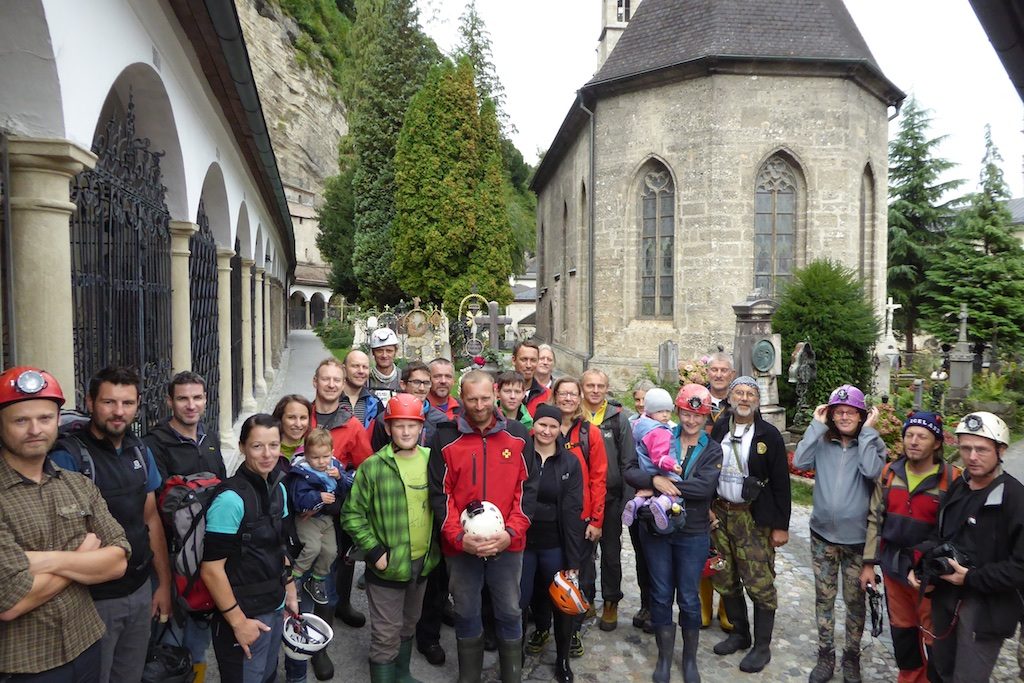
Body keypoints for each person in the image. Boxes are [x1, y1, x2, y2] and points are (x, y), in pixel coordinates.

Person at [0, 366, 130, 682]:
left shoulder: (78, 484)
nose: (35, 429)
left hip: (86, 644)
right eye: (21, 420)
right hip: (25, 666)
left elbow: (118, 560)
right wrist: (84, 553)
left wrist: (43, 561)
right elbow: (11, 601)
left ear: (57, 420)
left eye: (45, 418)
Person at [49, 366, 172, 683]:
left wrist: (163, 586)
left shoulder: (140, 451)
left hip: (139, 590)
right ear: (90, 403)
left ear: (138, 404)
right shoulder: (69, 457)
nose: (119, 412)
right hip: (93, 601)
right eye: (109, 402)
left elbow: (150, 519)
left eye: (127, 403)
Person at [428, 370, 534, 683]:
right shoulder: (445, 437)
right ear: (461, 397)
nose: (479, 405)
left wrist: (510, 533)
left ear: (496, 393)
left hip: (508, 544)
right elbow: (440, 494)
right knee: (465, 610)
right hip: (461, 547)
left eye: (485, 398)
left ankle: (511, 675)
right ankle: (469, 676)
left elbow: (527, 491)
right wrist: (459, 538)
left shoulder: (517, 435)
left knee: (509, 610)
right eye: (472, 399)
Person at [907, 411, 1024, 682]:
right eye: (966, 448)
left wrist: (970, 577)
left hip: (985, 611)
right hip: (946, 601)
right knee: (941, 671)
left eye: (981, 449)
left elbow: (1020, 568)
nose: (972, 457)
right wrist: (920, 564)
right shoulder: (960, 486)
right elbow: (940, 536)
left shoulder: (1015, 499)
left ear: (1001, 450)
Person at [624, 383, 724, 683]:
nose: (691, 421)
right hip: (656, 530)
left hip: (692, 531)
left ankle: (690, 660)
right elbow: (629, 468)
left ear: (706, 417)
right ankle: (665, 658)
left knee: (690, 598)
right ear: (678, 411)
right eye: (686, 413)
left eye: (698, 415)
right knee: (661, 592)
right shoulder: (660, 433)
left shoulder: (713, 448)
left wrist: (669, 486)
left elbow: (704, 488)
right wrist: (655, 480)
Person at [342, 393, 442, 682]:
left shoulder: (432, 461)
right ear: (388, 429)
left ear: (422, 427)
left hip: (421, 563)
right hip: (386, 564)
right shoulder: (374, 467)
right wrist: (373, 551)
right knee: (386, 634)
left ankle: (403, 674)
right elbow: (352, 514)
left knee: (409, 623)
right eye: (399, 425)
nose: (406, 431)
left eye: (412, 425)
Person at [793, 385, 886, 683]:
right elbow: (799, 462)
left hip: (857, 542)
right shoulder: (822, 441)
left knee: (854, 602)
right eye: (839, 412)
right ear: (831, 415)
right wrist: (815, 425)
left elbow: (872, 472)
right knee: (824, 599)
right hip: (822, 536)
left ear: (861, 416)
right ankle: (825, 654)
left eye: (851, 412)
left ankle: (851, 656)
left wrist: (869, 433)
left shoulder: (872, 444)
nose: (845, 417)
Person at [860, 411, 960, 683]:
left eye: (922, 436)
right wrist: (868, 563)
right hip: (894, 569)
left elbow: (954, 532)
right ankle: (909, 677)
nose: (914, 441)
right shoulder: (889, 474)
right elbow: (875, 519)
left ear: (937, 443)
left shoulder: (952, 480)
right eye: (909, 435)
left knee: (934, 636)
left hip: (930, 578)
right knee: (902, 632)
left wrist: (926, 566)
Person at [201, 413, 300, 683]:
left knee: (267, 676)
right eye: (257, 446)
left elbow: (280, 544)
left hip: (274, 605)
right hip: (244, 615)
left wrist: (289, 588)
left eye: (274, 445)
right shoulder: (230, 500)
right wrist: (237, 622)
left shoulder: (277, 489)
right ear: (243, 447)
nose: (267, 454)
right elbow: (211, 569)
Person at [144, 371, 225, 682]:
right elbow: (157, 509)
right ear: (169, 401)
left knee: (199, 644)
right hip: (173, 561)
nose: (191, 405)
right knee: (169, 643)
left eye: (197, 398)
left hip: (206, 558)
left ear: (205, 400)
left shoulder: (210, 439)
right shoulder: (155, 445)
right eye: (183, 398)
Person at [707, 376, 791, 674]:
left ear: (757, 400)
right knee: (725, 575)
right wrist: (706, 506)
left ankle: (762, 646)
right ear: (730, 398)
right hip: (721, 513)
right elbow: (706, 468)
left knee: (759, 581)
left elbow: (781, 483)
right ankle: (740, 633)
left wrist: (781, 526)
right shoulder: (719, 428)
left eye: (749, 394)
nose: (744, 398)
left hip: (754, 518)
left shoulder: (769, 435)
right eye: (739, 393)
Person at [520, 404, 587, 683]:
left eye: (552, 426)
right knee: (519, 600)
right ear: (533, 426)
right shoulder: (521, 456)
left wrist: (574, 561)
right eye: (542, 425)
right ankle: (515, 655)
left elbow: (573, 513)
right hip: (522, 542)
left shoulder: (569, 462)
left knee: (562, 603)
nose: (546, 431)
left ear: (560, 428)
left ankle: (562, 659)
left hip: (554, 543)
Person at [551, 376, 607, 657]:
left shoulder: (589, 433)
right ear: (555, 396)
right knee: (549, 573)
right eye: (563, 394)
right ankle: (544, 625)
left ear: (580, 397)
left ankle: (571, 631)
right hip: (549, 518)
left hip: (581, 518)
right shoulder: (545, 428)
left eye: (573, 394)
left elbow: (599, 478)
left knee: (578, 577)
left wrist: (597, 520)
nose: (569, 399)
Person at [580, 368, 636, 633]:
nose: (595, 390)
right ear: (582, 387)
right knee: (585, 553)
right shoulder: (575, 416)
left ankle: (611, 600)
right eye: (590, 385)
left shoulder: (618, 418)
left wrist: (627, 498)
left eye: (600, 386)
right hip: (582, 497)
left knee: (611, 553)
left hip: (611, 497)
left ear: (606, 388)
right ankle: (587, 597)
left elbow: (628, 461)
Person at [288, 428, 349, 606]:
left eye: (325, 456)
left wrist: (340, 478)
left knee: (331, 551)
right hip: (307, 519)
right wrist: (318, 497)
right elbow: (298, 499)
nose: (321, 462)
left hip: (326, 519)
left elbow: (347, 489)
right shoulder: (301, 472)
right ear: (306, 455)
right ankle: (296, 576)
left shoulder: (335, 467)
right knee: (312, 548)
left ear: (332, 453)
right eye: (315, 457)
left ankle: (317, 579)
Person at [623, 387, 683, 531]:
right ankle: (662, 504)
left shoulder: (638, 425)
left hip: (644, 469)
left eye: (668, 411)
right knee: (675, 490)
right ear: (650, 411)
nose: (665, 416)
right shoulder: (660, 431)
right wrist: (673, 465)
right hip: (661, 469)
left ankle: (636, 502)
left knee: (645, 494)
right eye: (660, 411)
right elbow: (659, 457)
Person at [627, 378, 656, 631]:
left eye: (645, 401)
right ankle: (646, 603)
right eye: (637, 400)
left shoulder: (668, 428)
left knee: (657, 557)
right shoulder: (629, 426)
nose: (640, 405)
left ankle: (658, 607)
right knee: (640, 554)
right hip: (634, 499)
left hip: (659, 501)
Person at [370, 361, 448, 451]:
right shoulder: (384, 420)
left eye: (426, 383)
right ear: (403, 384)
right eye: (416, 382)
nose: (422, 388)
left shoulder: (440, 420)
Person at [339, 350, 384, 430]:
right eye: (355, 366)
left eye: (365, 367)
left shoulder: (375, 403)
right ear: (343, 369)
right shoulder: (332, 400)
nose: (361, 371)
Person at [513, 340, 551, 417]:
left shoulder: (548, 395)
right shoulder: (498, 392)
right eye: (524, 359)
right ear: (514, 360)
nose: (528, 365)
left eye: (533, 360)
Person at [273, 394, 313, 461]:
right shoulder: (267, 450)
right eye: (291, 417)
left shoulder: (314, 448)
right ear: (280, 418)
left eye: (303, 418)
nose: (298, 424)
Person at [368, 328, 402, 405]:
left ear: (395, 352)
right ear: (373, 352)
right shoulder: (365, 379)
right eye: (379, 351)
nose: (384, 355)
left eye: (389, 351)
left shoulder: (403, 377)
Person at [705, 353, 736, 430]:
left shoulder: (740, 402)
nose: (718, 375)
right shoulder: (698, 399)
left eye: (724, 370)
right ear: (707, 372)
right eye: (714, 370)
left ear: (732, 374)